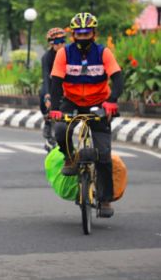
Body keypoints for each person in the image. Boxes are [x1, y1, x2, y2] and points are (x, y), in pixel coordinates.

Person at [49, 12, 123, 218]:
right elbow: (55, 82)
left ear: (94, 33)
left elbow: (118, 78)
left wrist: (112, 102)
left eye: (87, 33)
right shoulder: (63, 53)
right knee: (61, 130)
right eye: (79, 34)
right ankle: (70, 159)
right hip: (71, 101)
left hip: (98, 102)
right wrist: (55, 108)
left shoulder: (103, 53)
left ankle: (105, 199)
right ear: (72, 35)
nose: (83, 37)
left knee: (103, 154)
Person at [39, 27, 66, 151]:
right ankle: (48, 121)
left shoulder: (70, 54)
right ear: (51, 44)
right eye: (56, 42)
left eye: (62, 41)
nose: (59, 45)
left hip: (67, 87)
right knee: (43, 92)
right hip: (52, 86)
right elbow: (46, 77)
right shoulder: (47, 57)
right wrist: (47, 95)